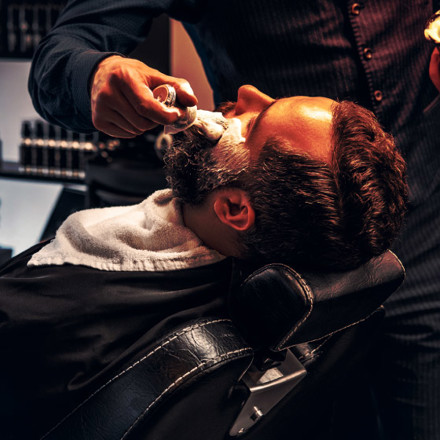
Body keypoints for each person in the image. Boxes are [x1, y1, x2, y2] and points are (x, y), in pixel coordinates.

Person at [28, 2, 440, 439]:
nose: (246, 93)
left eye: (258, 115)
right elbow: (62, 54)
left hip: (426, 234)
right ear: (233, 208)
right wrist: (93, 73)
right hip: (273, 278)